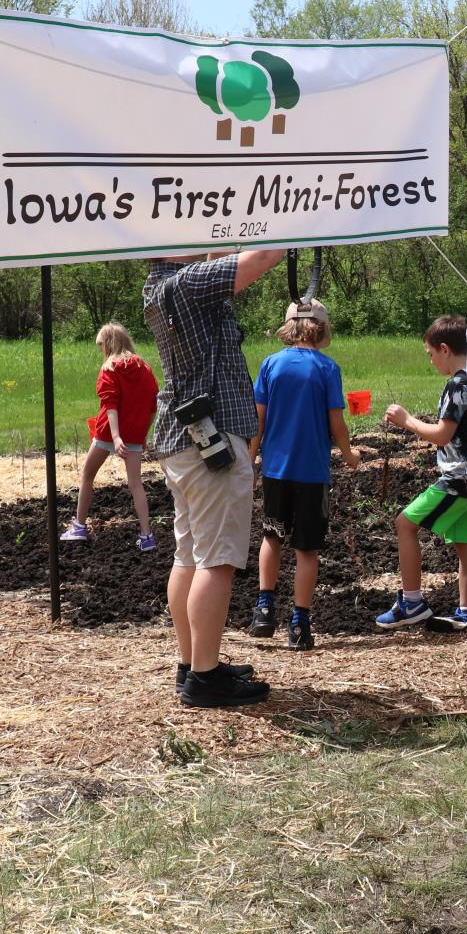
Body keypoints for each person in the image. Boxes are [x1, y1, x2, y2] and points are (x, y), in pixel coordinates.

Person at [144, 249, 282, 707]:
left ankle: (194, 663)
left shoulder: (163, 285)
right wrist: (302, 218)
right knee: (216, 562)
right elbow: (261, 257)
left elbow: (226, 254)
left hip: (186, 441)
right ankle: (204, 676)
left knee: (190, 555)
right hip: (213, 440)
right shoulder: (188, 283)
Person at [249, 298, 360, 651]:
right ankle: (300, 623)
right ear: (322, 329)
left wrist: (250, 461)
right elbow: (336, 422)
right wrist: (349, 454)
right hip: (312, 472)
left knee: (272, 536)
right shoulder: (328, 369)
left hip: (275, 469)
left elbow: (258, 421)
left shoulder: (270, 364)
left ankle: (264, 609)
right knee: (307, 550)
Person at [375, 314, 467, 633]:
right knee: (466, 544)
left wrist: (405, 420)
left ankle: (411, 602)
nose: (431, 361)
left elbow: (441, 435)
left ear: (445, 349)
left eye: (431, 354)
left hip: (457, 479)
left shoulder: (457, 385)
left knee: (405, 524)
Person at [61, 323, 160, 551]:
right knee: (136, 484)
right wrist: (142, 433)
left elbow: (110, 405)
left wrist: (115, 437)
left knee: (87, 474)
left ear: (108, 344)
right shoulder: (144, 368)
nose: (101, 351)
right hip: (134, 433)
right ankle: (146, 536)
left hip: (108, 432)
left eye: (101, 346)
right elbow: (153, 404)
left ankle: (79, 526)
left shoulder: (110, 368)